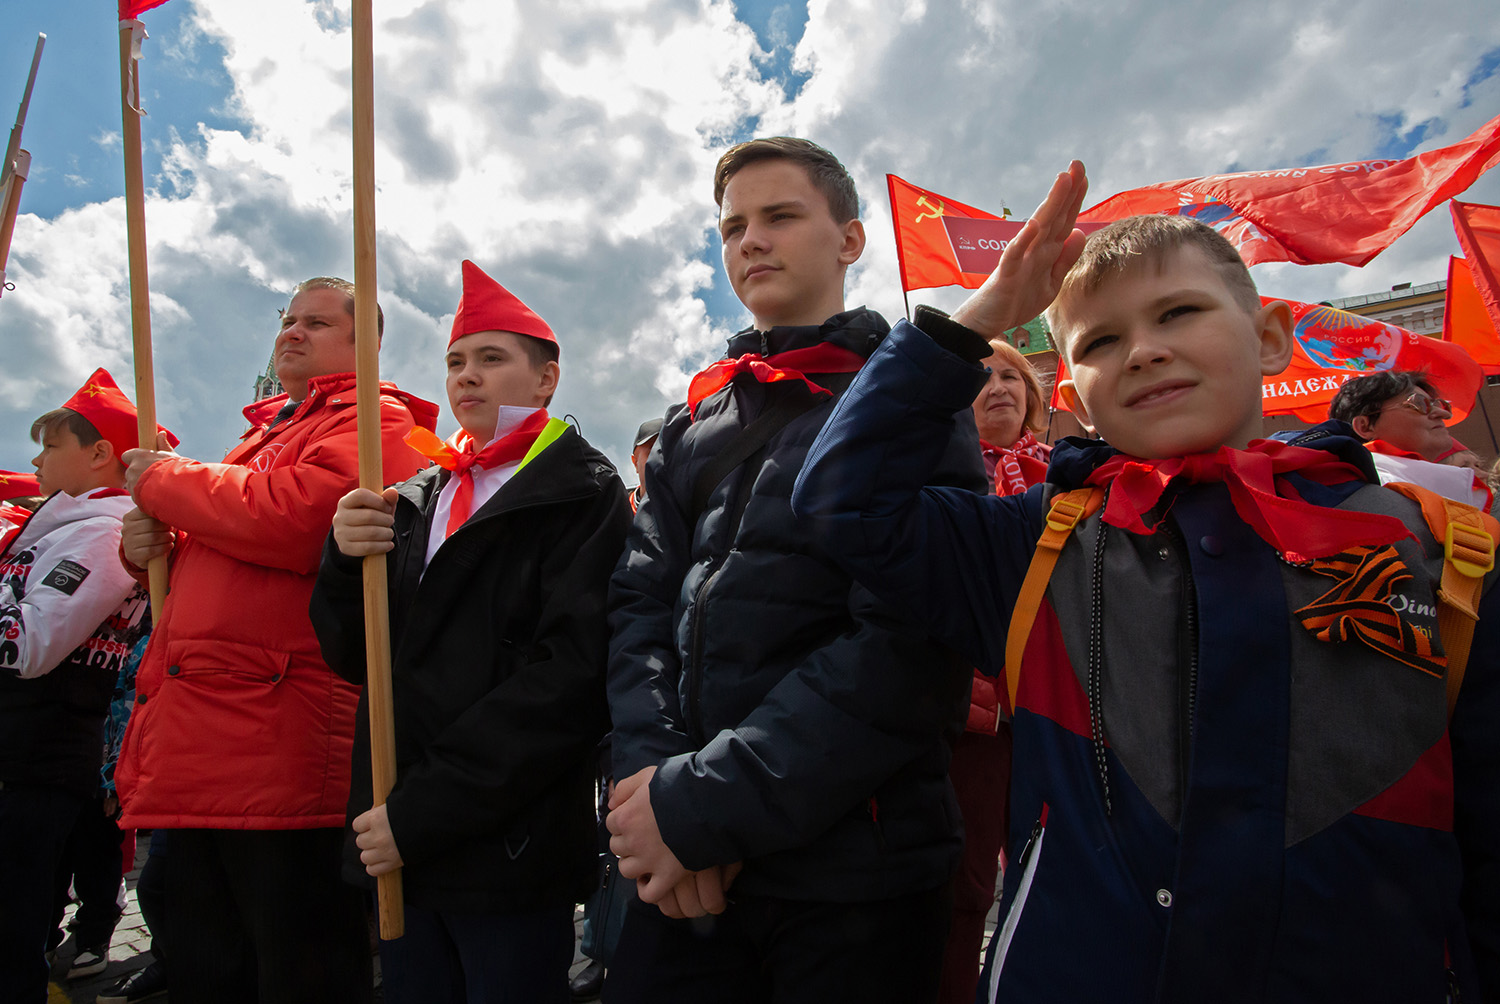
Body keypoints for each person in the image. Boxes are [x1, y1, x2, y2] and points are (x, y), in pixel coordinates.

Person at [793, 170, 1500, 1003]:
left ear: (1270, 336)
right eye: (1097, 343)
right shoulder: (1033, 542)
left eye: (1179, 313)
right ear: (1074, 401)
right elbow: (842, 503)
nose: (1143, 350)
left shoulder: (1437, 548)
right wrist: (972, 321)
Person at [605, 136, 985, 1004]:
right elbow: (639, 604)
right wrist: (653, 784)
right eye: (733, 226)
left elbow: (906, 646)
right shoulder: (691, 422)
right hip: (678, 863)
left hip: (853, 872)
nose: (751, 242)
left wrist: (708, 808)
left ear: (849, 240)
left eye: (780, 216)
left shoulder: (913, 397)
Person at [310, 260, 630, 1004]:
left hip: (502, 845)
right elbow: (357, 655)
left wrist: (423, 812)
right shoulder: (416, 493)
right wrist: (339, 557)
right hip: (397, 838)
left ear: (546, 379)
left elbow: (569, 680)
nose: (466, 377)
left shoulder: (582, 490)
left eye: (491, 359)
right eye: (456, 361)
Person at [113, 276, 438, 1004]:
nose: (291, 331)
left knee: (295, 961)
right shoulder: (261, 435)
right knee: (202, 953)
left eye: (315, 322)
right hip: (209, 734)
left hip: (278, 736)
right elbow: (223, 537)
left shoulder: (375, 423)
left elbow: (298, 522)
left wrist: (168, 485)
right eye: (288, 320)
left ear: (366, 345)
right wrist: (152, 545)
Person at [0, 369, 164, 1003]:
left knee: (14, 928)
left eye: (51, 444)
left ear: (99, 455)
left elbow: (31, 645)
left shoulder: (102, 530)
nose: (36, 460)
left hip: (37, 758)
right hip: (23, 752)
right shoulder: (52, 527)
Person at [937, 336, 1049, 1004]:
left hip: (1058, 708)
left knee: (1058, 876)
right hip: (973, 716)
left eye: (1012, 375)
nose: (999, 386)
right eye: (980, 377)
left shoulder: (1073, 472)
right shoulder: (931, 476)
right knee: (967, 888)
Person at [1328, 370, 1490, 507]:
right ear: (1365, 426)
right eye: (1419, 404)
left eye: (1439, 404)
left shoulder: (1427, 488)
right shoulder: (1377, 494)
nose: (1444, 414)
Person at [626, 418, 662, 514]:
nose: (660, 458)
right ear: (635, 462)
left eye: (667, 451)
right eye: (652, 451)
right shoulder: (618, 510)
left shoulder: (691, 511)